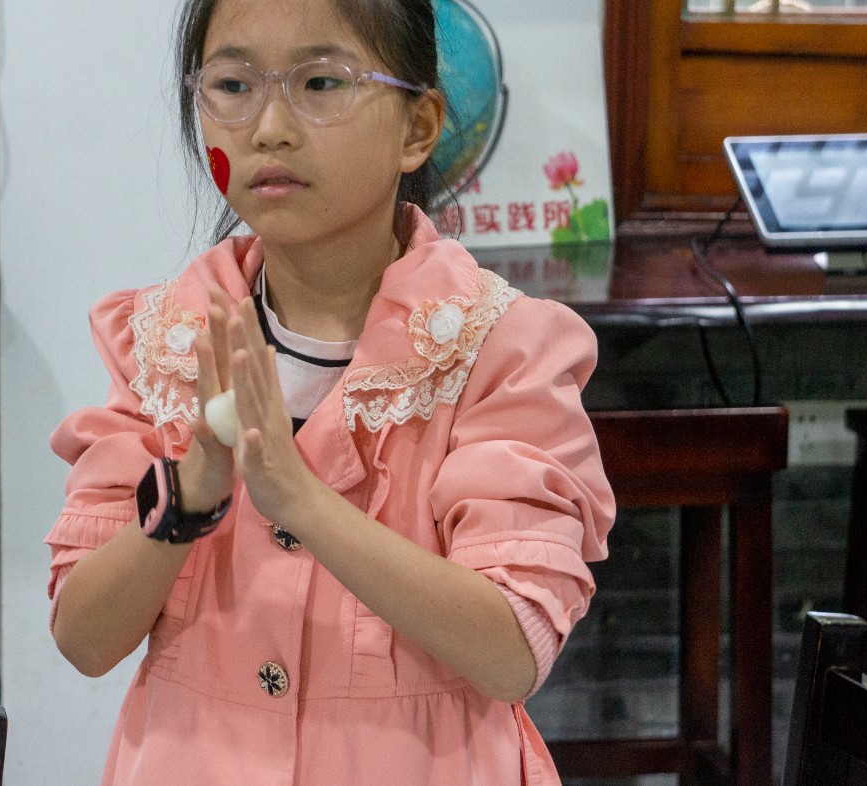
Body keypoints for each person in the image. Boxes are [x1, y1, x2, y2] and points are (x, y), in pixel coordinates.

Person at [45, 0, 616, 783]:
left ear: (418, 128)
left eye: (320, 83)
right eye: (233, 85)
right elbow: (83, 639)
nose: (269, 127)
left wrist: (299, 499)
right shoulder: (161, 340)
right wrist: (192, 492)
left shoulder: (501, 350)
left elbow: (513, 651)